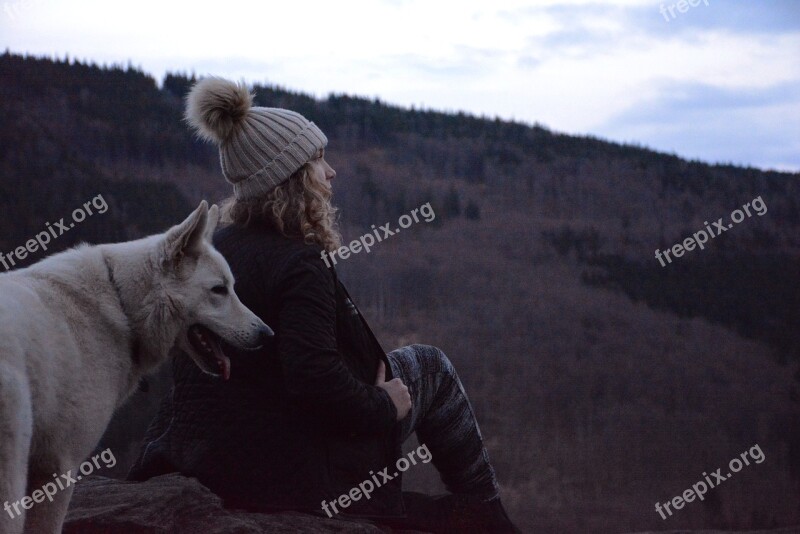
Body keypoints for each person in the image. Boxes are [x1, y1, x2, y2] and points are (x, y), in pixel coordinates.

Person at [128, 77, 520, 533]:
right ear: (290, 180)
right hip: (290, 466)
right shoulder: (298, 263)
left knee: (417, 368)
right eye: (317, 160)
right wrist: (381, 404)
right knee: (430, 367)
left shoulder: (213, 248)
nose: (331, 172)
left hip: (211, 451)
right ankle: (487, 514)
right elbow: (314, 377)